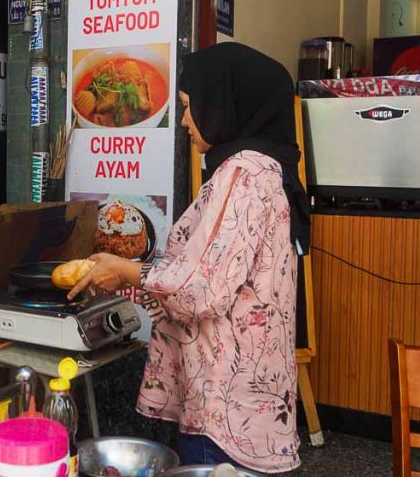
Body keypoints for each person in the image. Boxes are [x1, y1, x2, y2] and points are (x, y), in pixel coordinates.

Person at [67, 42, 311, 473]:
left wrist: (126, 270)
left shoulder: (243, 175)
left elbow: (201, 289)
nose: (182, 120)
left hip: (227, 405)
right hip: (249, 399)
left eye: (187, 106)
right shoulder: (267, 171)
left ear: (220, 103)